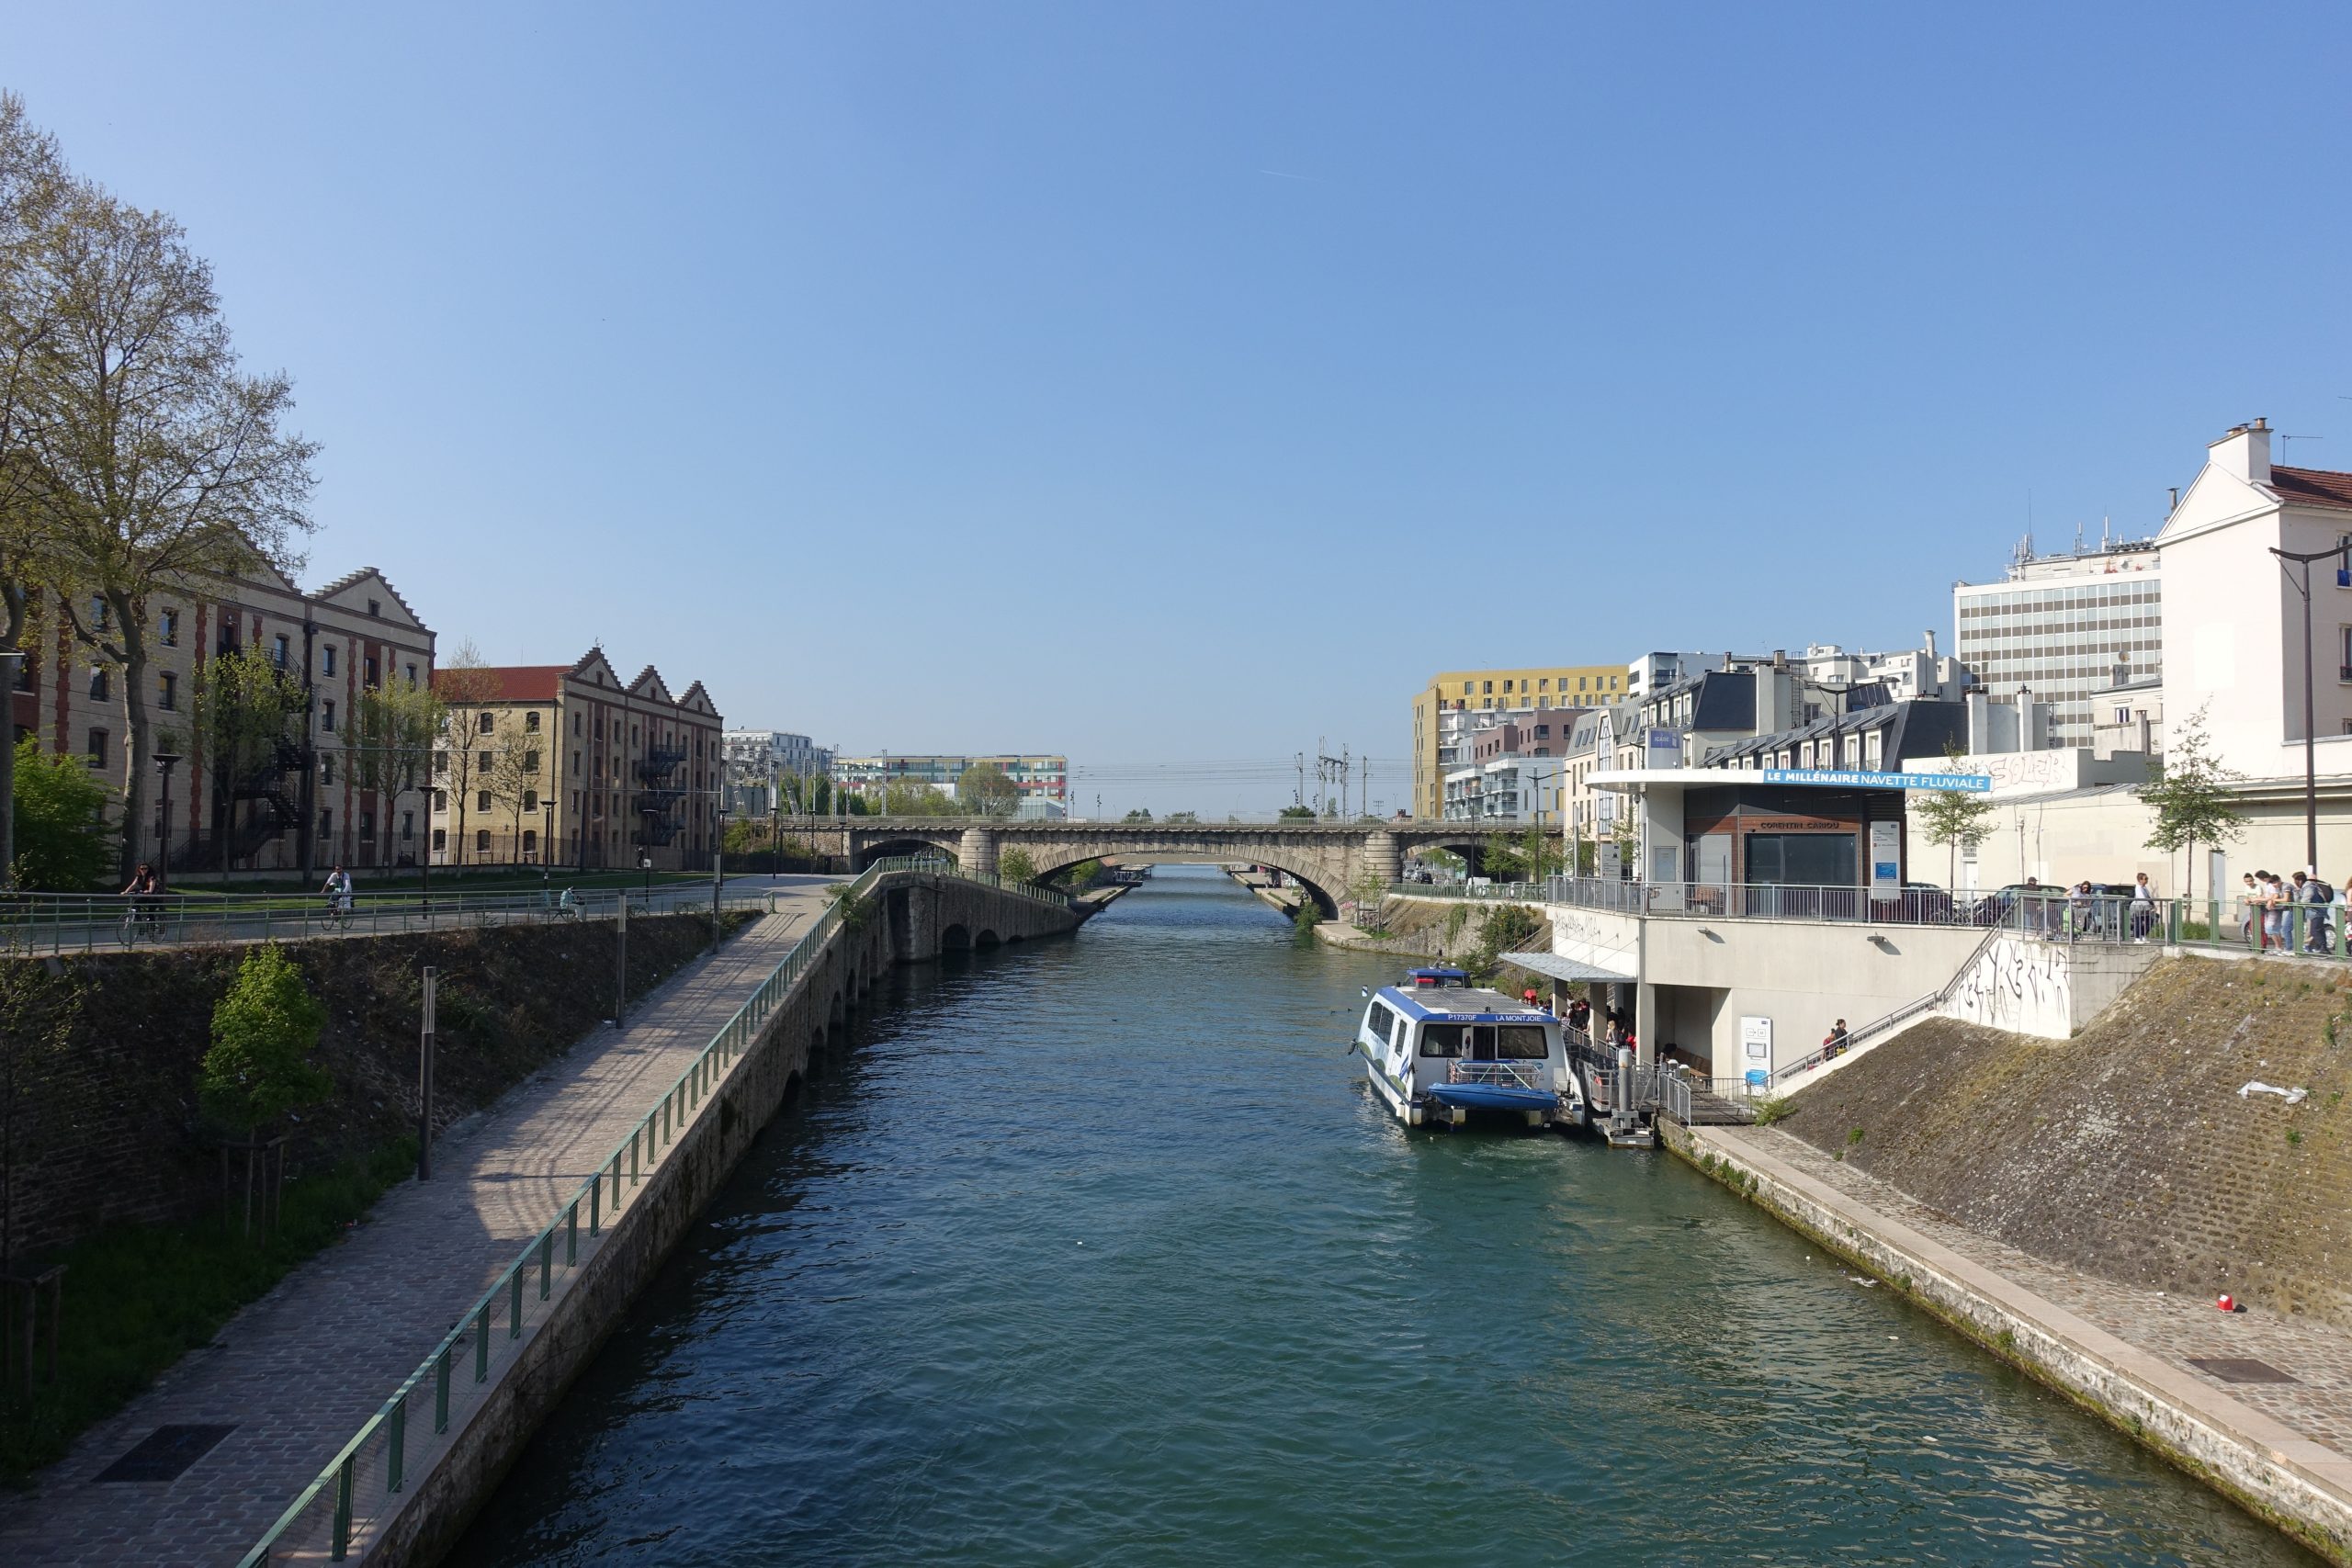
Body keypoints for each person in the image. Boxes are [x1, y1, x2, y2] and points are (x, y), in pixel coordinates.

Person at [2130, 872, 2155, 942]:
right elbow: (2142, 898)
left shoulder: (2144, 888)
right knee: (2139, 922)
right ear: (2140, 880)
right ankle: (2137, 938)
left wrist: (2152, 905)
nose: (2147, 880)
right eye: (2145, 879)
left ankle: (2143, 936)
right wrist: (2149, 908)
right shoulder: (2138, 888)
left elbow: (2148, 897)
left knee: (2149, 921)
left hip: (2145, 908)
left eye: (2147, 878)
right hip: (2139, 908)